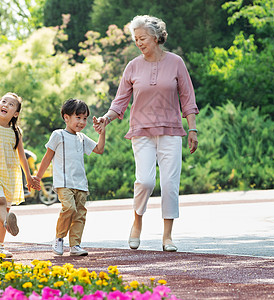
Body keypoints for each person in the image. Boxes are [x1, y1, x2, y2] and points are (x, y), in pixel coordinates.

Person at [93, 15, 199, 252]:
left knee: (170, 183)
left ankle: (167, 236)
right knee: (145, 180)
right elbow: (120, 101)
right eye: (135, 39)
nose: (138, 42)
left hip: (171, 130)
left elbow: (187, 99)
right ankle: (137, 222)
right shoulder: (133, 66)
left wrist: (192, 129)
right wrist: (106, 118)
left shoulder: (176, 62)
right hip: (141, 130)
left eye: (142, 38)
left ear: (155, 37)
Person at [34, 98, 106, 256]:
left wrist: (102, 133)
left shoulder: (82, 138)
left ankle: (75, 245)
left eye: (85, 118)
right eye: (78, 117)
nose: (82, 122)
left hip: (81, 184)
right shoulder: (58, 135)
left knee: (80, 214)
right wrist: (37, 177)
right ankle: (59, 238)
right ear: (66, 118)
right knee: (69, 208)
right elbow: (47, 157)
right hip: (63, 183)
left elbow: (99, 149)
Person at [0, 92, 39, 259]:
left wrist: (28, 176)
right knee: (1, 201)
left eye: (11, 104)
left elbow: (22, 156)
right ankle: (8, 223)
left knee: (4, 208)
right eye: (3, 102)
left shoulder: (16, 132)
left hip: (9, 175)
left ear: (16, 113)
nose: (6, 105)